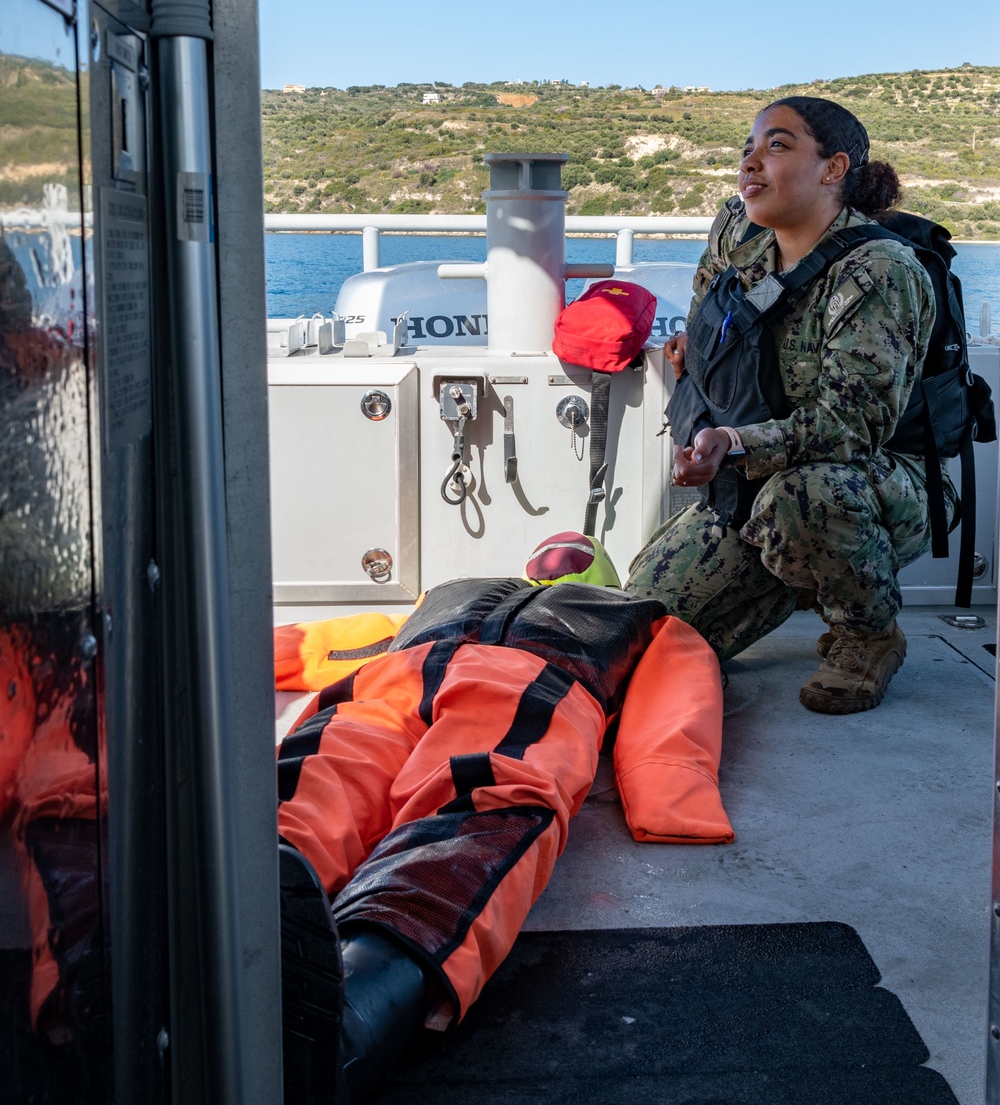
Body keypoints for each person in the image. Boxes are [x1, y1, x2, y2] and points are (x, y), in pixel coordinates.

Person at [274, 531, 733, 1105]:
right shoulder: (451, 593)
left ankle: (352, 1015)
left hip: (528, 683)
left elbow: (679, 686)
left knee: (475, 808)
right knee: (311, 781)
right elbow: (338, 643)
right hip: (390, 682)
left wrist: (670, 790)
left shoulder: (641, 617)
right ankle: (236, 916)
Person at [627, 95, 957, 715]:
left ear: (833, 170)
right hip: (762, 484)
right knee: (643, 630)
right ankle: (791, 570)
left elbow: (853, 426)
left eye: (776, 146)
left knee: (805, 498)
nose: (751, 163)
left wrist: (738, 442)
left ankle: (867, 635)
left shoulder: (878, 269)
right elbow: (708, 310)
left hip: (876, 483)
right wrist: (694, 350)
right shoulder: (738, 229)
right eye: (748, 149)